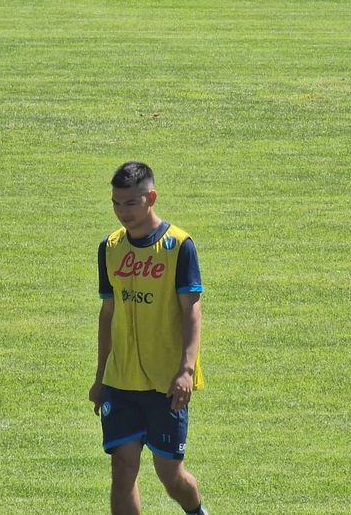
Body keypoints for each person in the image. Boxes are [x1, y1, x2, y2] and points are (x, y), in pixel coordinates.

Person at [89, 161, 208, 515]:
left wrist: (186, 370)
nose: (122, 212)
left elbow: (192, 310)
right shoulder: (109, 248)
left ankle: (196, 511)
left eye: (130, 203)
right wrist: (100, 378)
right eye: (116, 203)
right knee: (122, 469)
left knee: (170, 476)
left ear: (151, 197)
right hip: (121, 379)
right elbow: (108, 313)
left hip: (166, 381)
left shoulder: (179, 246)